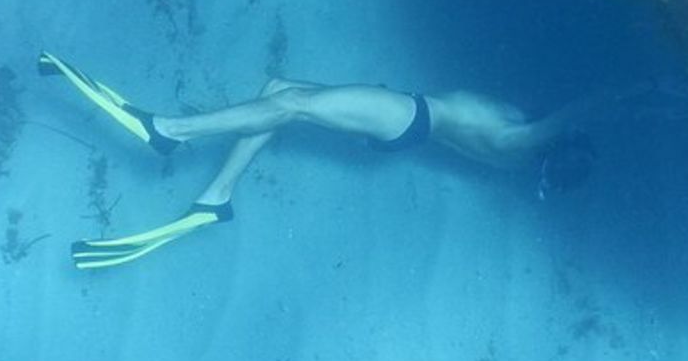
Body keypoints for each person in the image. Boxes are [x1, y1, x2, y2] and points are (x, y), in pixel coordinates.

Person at [37, 51, 605, 269]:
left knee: (291, 103)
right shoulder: (521, 151)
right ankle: (216, 199)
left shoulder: (521, 143)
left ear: (558, 147)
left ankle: (167, 130)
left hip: (410, 117)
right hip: (406, 115)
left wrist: (627, 96)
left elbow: (573, 112)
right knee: (280, 89)